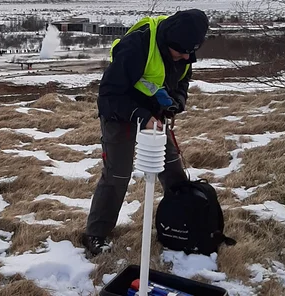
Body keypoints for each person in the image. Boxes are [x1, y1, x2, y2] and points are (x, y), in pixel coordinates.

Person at [82, 9, 209, 256]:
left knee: (172, 168)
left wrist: (176, 101)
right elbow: (107, 97)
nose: (186, 57)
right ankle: (95, 235)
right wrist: (141, 116)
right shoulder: (136, 46)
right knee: (118, 174)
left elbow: (182, 81)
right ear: (168, 42)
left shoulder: (184, 50)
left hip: (155, 113)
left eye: (190, 52)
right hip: (120, 111)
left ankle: (184, 225)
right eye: (181, 52)